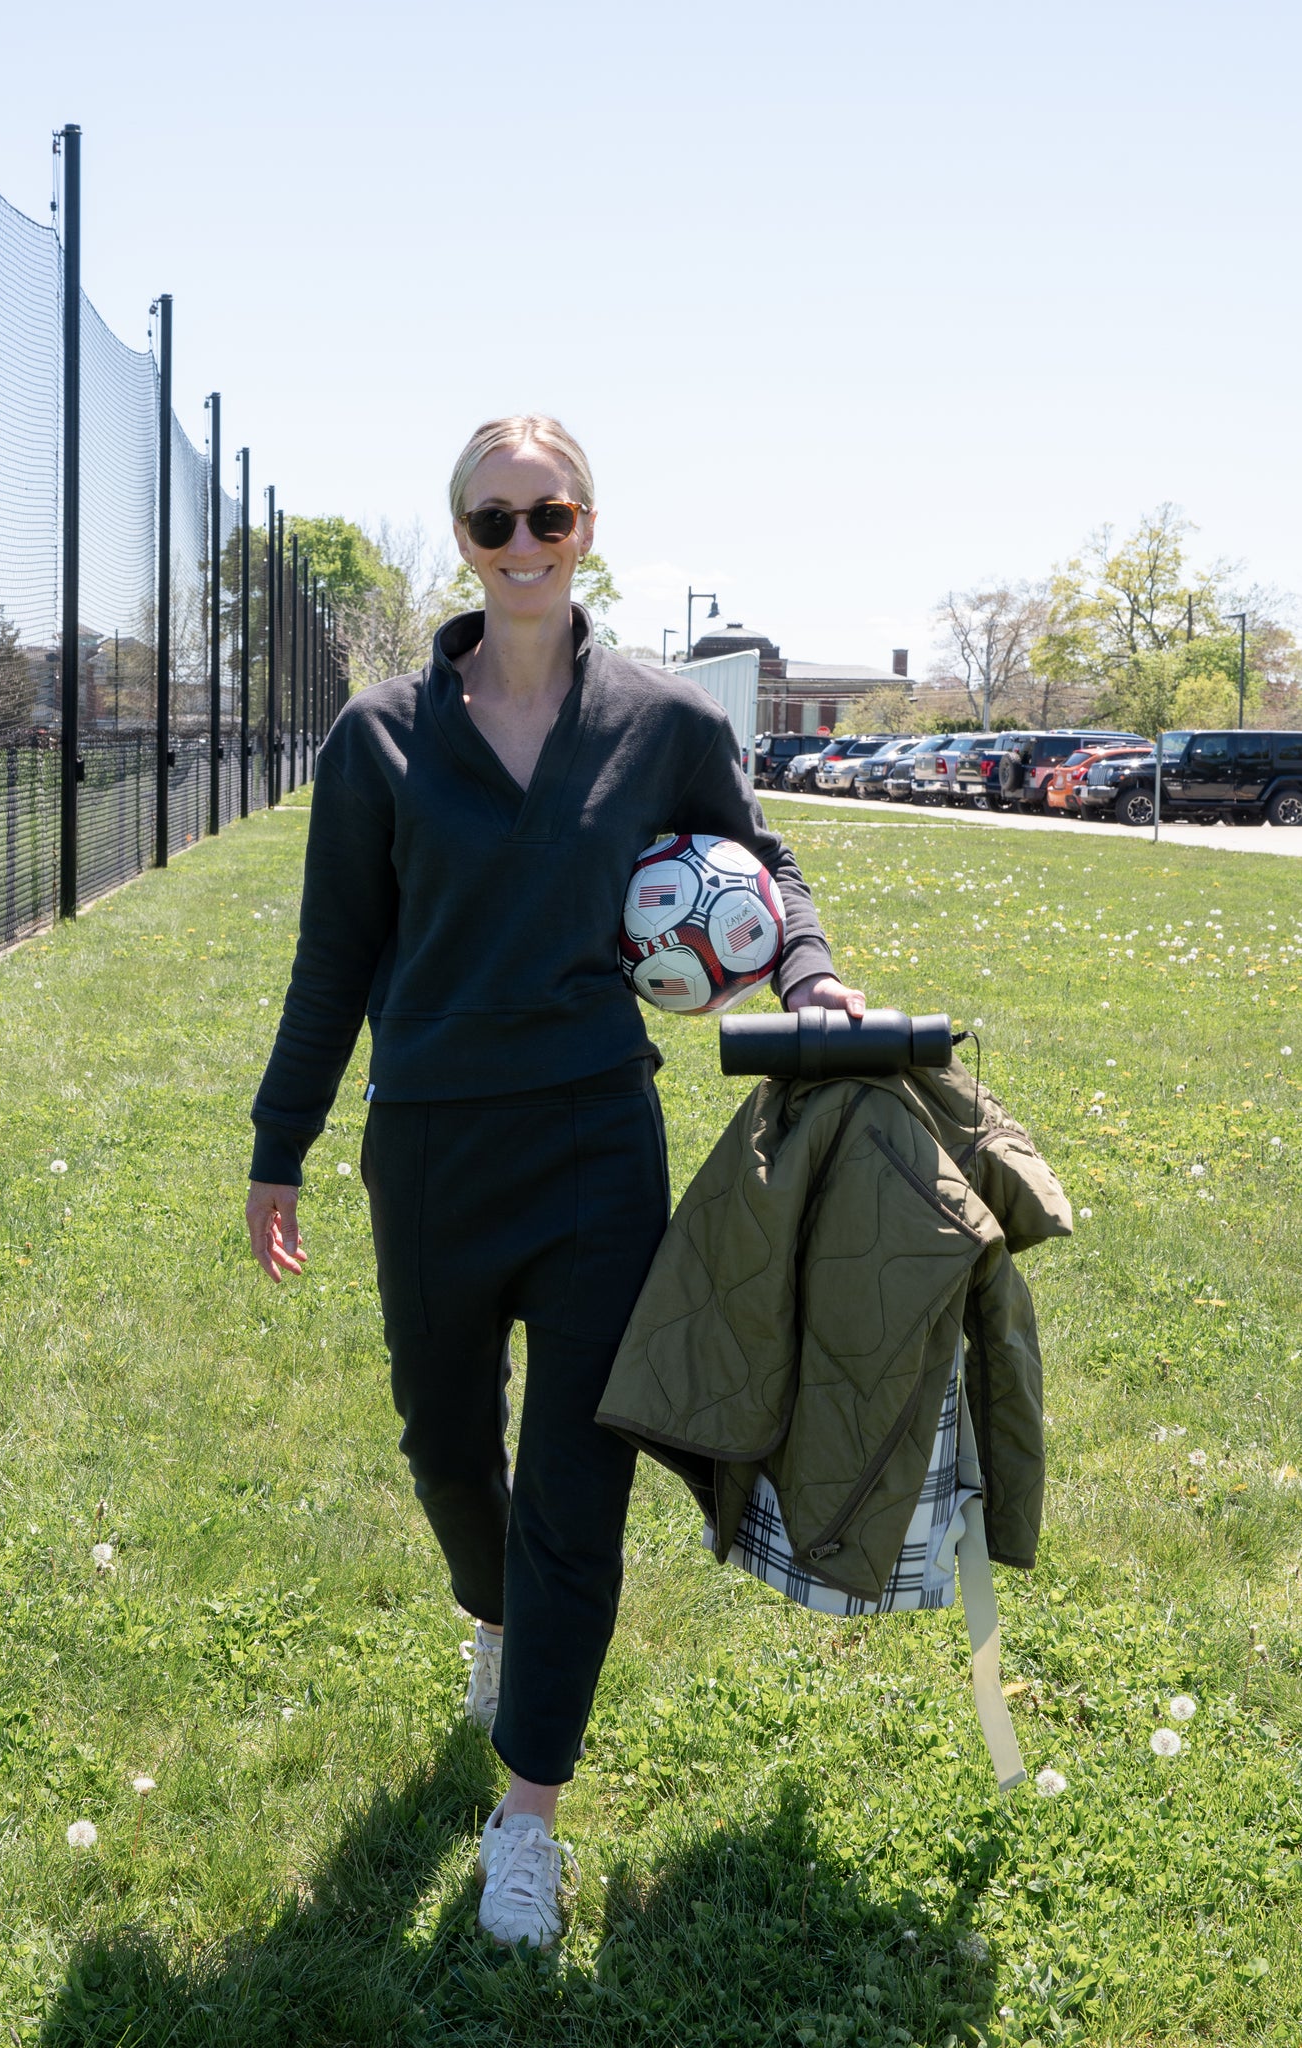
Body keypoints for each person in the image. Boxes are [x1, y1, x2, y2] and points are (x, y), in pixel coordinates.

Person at [245, 414, 864, 1950]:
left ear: (590, 527)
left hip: (597, 1140)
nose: (522, 545)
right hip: (435, 1146)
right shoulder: (379, 734)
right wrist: (282, 1146)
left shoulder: (660, 722)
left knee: (578, 1486)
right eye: (491, 522)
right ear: (459, 540)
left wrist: (812, 974)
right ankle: (492, 1618)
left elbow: (761, 863)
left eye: (550, 515)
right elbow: (335, 959)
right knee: (448, 1447)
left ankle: (527, 1814)